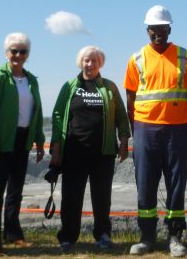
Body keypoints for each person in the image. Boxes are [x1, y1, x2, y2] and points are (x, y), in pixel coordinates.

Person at [124, 5, 187, 257]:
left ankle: (175, 237)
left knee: (176, 185)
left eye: (162, 28)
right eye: (153, 29)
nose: (158, 32)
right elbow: (130, 98)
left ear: (169, 29)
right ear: (147, 30)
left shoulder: (183, 55)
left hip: (178, 130)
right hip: (146, 129)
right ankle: (146, 237)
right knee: (145, 184)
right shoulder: (136, 58)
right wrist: (135, 130)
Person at [50, 46, 131, 252]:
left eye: (94, 61)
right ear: (80, 62)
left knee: (102, 197)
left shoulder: (109, 87)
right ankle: (68, 236)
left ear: (100, 63)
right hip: (74, 152)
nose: (90, 64)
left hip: (103, 153)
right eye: (87, 60)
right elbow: (58, 116)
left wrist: (123, 142)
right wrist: (56, 148)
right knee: (71, 197)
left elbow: (122, 116)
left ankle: (103, 235)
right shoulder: (69, 86)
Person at [0, 33, 45, 253]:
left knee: (16, 189)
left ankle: (13, 235)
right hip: (2, 140)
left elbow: (37, 111)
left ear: (28, 54)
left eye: (22, 51)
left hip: (23, 139)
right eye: (14, 51)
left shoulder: (32, 79)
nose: (18, 55)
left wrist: (39, 139)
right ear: (6, 53)